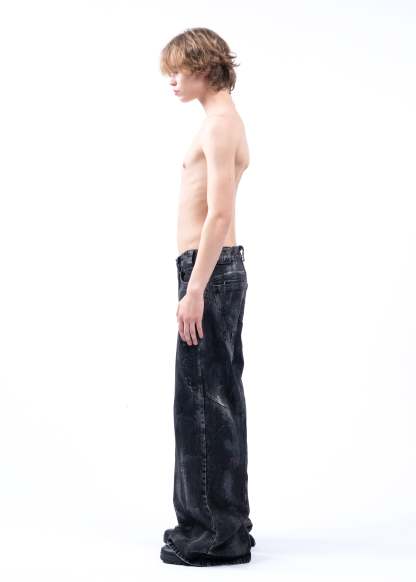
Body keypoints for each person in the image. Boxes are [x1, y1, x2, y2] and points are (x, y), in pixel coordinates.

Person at [159, 27, 255, 567]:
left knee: (202, 406)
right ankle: (225, 527)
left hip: (208, 273)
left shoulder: (219, 125)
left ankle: (212, 537)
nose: (172, 81)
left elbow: (219, 214)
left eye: (178, 70)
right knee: (216, 400)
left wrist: (194, 289)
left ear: (202, 66)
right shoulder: (223, 120)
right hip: (215, 272)